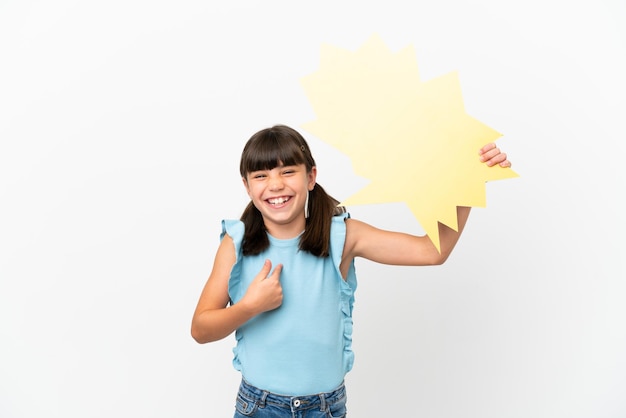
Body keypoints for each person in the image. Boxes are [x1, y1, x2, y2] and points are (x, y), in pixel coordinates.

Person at [191, 124, 512, 417]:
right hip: (259, 407)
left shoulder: (342, 236)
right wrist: (250, 306)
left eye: (288, 171)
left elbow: (431, 251)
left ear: (311, 177)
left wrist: (471, 181)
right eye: (261, 176)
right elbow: (201, 329)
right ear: (247, 186)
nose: (275, 185)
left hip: (325, 408)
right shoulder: (236, 243)